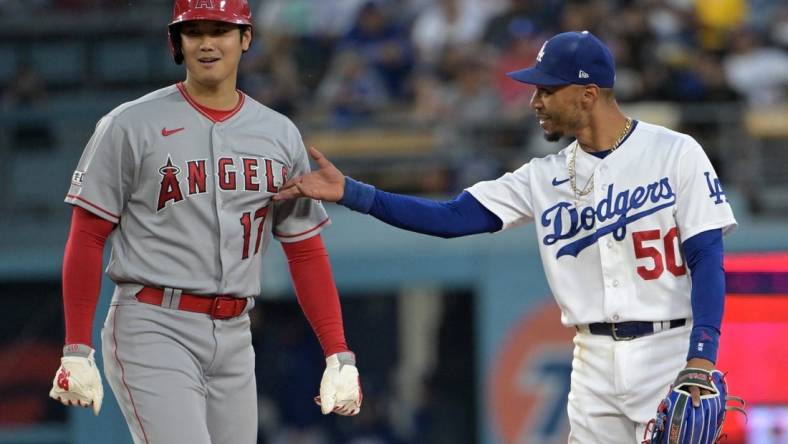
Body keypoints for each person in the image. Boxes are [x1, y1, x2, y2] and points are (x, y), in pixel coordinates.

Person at [274, 31, 735, 443]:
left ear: (588, 94)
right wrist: (353, 193)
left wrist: (702, 356)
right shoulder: (542, 177)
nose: (534, 100)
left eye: (547, 89)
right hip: (592, 360)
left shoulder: (674, 152)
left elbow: (707, 256)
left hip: (667, 350)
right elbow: (451, 218)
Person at [47, 1, 362, 443]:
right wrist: (77, 347)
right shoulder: (129, 124)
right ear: (177, 42)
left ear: (245, 38)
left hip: (235, 332)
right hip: (154, 322)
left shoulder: (279, 133)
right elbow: (87, 233)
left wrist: (337, 352)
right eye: (194, 32)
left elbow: (304, 249)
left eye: (221, 30)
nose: (208, 43)